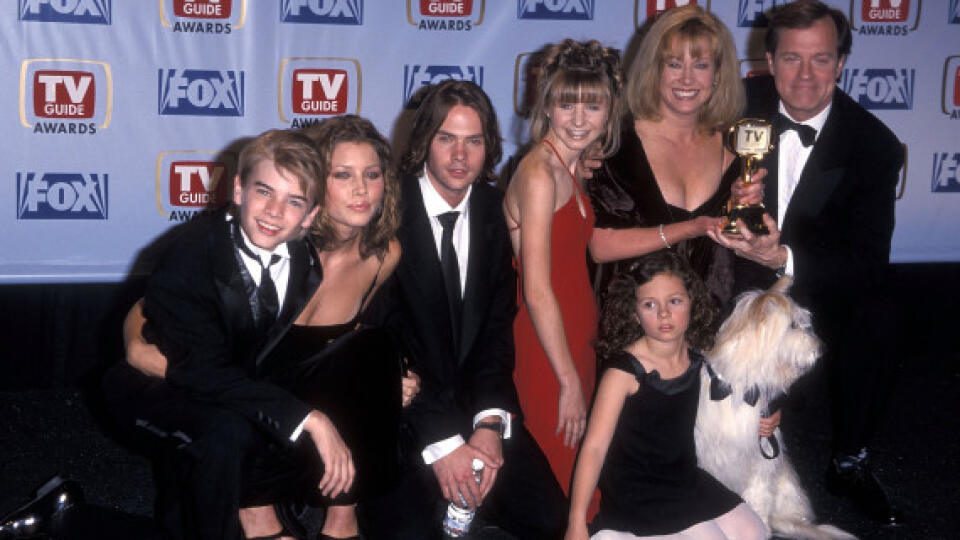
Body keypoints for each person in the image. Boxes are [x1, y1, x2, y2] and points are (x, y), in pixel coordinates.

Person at [108, 119, 414, 540]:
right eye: (342, 175)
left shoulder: (356, 252)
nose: (361, 189)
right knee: (228, 429)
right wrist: (135, 346)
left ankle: (342, 514)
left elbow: (354, 336)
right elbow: (154, 305)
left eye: (372, 175)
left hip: (263, 379)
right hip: (201, 376)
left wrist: (390, 379)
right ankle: (257, 513)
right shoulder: (261, 239)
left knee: (375, 352)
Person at [707, 0, 903, 526]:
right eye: (792, 59)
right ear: (768, 62)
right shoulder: (732, 106)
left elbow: (866, 261)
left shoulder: (874, 146)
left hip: (815, 284)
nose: (806, 75)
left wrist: (785, 256)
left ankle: (849, 460)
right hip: (733, 269)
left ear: (841, 63)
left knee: (880, 317)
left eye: (821, 59)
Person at [359, 79, 566, 540]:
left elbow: (496, 336)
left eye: (473, 141)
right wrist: (442, 444)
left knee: (550, 517)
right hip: (404, 419)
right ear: (423, 142)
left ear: (488, 146)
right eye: (446, 139)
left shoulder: (496, 209)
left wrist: (490, 425)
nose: (459, 156)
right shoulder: (386, 212)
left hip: (476, 411)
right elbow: (381, 342)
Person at [565, 251, 767, 540]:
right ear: (634, 314)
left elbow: (743, 381)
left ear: (692, 302)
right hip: (638, 489)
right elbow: (594, 448)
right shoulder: (624, 373)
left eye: (674, 301)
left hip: (683, 476)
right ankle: (616, 533)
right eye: (650, 304)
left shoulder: (697, 355)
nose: (663, 313)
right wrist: (576, 521)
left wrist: (769, 412)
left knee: (754, 532)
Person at [502, 38, 621, 496]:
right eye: (566, 104)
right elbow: (536, 288)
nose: (578, 119)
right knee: (558, 480)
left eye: (592, 107)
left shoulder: (568, 166)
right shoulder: (538, 175)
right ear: (547, 106)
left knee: (577, 477)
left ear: (608, 113)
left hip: (576, 333)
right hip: (546, 343)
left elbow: (582, 250)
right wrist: (567, 378)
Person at [584, 5, 755, 309]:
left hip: (714, 338)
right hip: (630, 335)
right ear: (655, 69)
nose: (687, 79)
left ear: (717, 75)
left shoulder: (740, 149)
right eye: (674, 64)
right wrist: (689, 229)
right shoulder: (613, 146)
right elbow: (598, 245)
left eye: (700, 65)